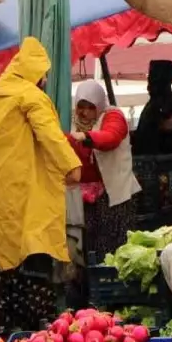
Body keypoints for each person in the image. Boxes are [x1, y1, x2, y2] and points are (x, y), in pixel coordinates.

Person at [0, 37, 82, 337]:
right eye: (43, 73)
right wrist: (71, 166)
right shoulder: (29, 96)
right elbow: (50, 135)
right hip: (20, 201)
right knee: (32, 274)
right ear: (35, 73)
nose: (45, 80)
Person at [66, 80, 141, 262]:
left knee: (113, 250)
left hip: (114, 197)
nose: (84, 112)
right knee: (86, 248)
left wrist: (87, 137)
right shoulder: (71, 121)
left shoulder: (113, 116)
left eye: (90, 107)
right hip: (84, 198)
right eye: (80, 107)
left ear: (99, 105)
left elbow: (111, 137)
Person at [133, 60, 172, 156]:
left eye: (150, 74)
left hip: (154, 164)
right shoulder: (161, 103)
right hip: (156, 164)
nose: (148, 77)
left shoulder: (165, 104)